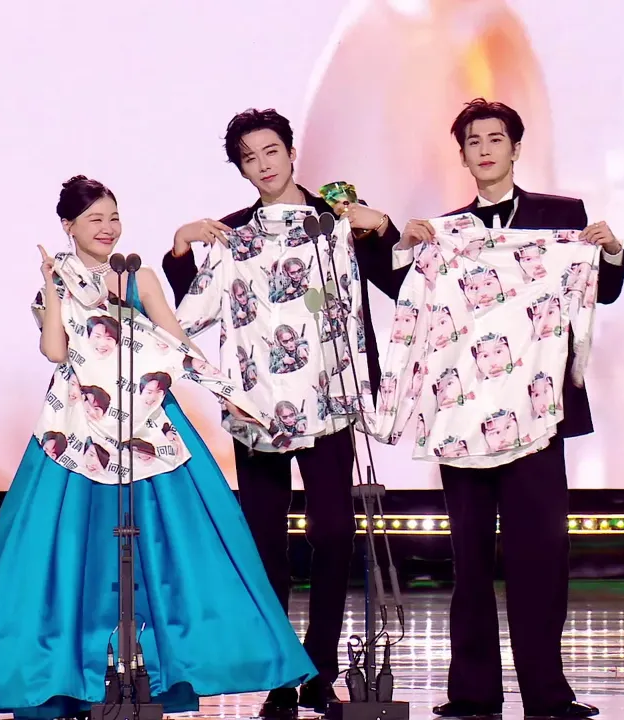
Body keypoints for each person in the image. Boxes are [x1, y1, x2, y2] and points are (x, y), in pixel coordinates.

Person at [0, 176, 315, 719]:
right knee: (70, 556)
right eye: (94, 220)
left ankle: (156, 672)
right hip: (76, 434)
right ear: (68, 226)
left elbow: (178, 342)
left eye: (113, 217)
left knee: (171, 554)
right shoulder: (58, 282)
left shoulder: (140, 277)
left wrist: (231, 393)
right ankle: (69, 676)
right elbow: (54, 350)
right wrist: (52, 288)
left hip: (147, 427)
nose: (107, 228)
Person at [162, 109, 409, 719]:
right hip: (258, 409)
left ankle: (320, 669)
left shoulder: (338, 219)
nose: (263, 165)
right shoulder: (233, 236)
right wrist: (181, 248)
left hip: (330, 400)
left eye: (271, 151)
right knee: (264, 542)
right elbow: (190, 312)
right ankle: (280, 673)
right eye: (249, 158)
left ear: (292, 152)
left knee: (335, 532)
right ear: (241, 169)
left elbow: (400, 280)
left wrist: (381, 228)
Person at [396, 99, 624, 720]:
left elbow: (600, 289)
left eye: (495, 138)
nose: (485, 149)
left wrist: (609, 252)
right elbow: (406, 291)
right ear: (463, 155)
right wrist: (401, 245)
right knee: (469, 558)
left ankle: (547, 694)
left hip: (537, 414)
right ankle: (472, 693)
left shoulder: (561, 216)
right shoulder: (446, 233)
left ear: (515, 147)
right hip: (463, 415)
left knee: (540, 556)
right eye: (473, 141)